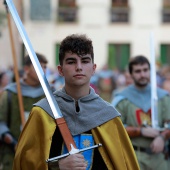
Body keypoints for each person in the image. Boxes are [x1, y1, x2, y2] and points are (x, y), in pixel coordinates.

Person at [12, 34, 139, 170]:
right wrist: (57, 166)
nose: (79, 67)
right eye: (71, 62)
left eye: (84, 61)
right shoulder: (42, 112)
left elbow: (123, 164)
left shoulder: (109, 116)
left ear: (94, 68)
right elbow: (24, 164)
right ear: (60, 70)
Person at [112, 55, 170, 170]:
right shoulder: (122, 99)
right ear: (131, 74)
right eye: (138, 71)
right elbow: (115, 128)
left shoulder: (162, 97)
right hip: (134, 155)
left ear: (150, 71)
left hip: (159, 156)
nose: (142, 74)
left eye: (145, 70)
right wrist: (141, 131)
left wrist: (162, 138)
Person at [0, 53, 48, 170]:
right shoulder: (10, 93)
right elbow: (1, 123)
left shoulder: (49, 94)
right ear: (26, 69)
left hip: (41, 155)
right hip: (13, 154)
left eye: (44, 67)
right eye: (38, 66)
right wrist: (13, 143)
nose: (43, 70)